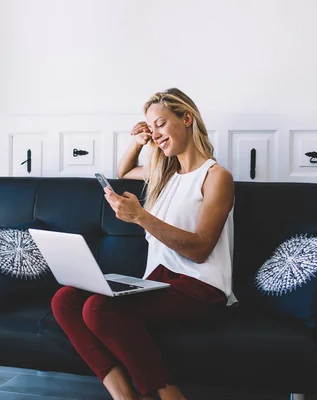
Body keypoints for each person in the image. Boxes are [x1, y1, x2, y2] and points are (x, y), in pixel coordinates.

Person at [51, 88, 237, 400]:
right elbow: (124, 171)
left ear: (187, 118)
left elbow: (201, 248)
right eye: (151, 128)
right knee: (65, 299)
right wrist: (139, 143)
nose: (156, 134)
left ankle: (169, 394)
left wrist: (140, 217)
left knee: (98, 308)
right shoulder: (166, 174)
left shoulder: (216, 176)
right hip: (158, 283)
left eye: (161, 124)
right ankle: (124, 395)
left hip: (200, 288)